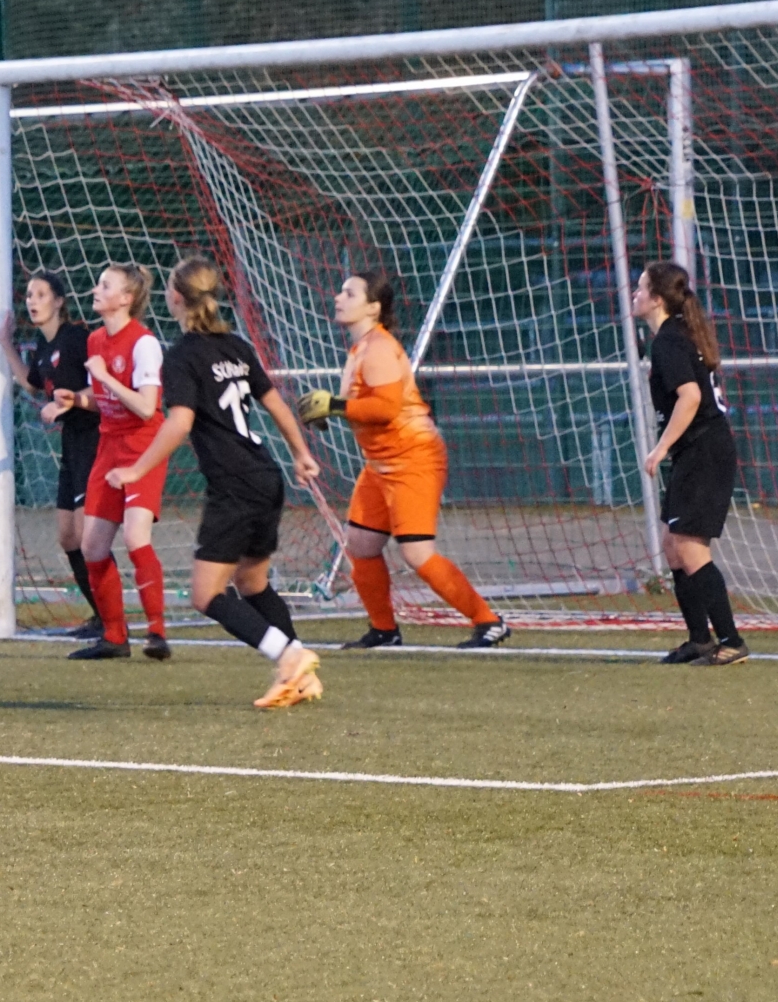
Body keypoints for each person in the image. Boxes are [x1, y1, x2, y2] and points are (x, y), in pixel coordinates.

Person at [108, 258, 328, 708]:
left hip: (234, 484)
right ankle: (300, 677)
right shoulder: (236, 346)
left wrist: (136, 470)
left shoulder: (182, 355)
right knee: (252, 583)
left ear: (175, 297)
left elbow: (179, 422)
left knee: (206, 594)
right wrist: (301, 454)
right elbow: (276, 404)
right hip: (265, 475)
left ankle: (289, 657)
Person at [298, 274, 509, 649]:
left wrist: (335, 405)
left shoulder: (379, 347)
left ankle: (489, 622)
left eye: (349, 293)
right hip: (380, 462)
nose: (338, 298)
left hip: (413, 457)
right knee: (361, 544)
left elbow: (386, 408)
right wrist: (332, 411)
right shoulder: (361, 347)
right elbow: (364, 409)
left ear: (373, 307)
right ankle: (384, 631)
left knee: (416, 552)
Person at [53, 263, 172, 660]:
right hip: (109, 447)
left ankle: (157, 633)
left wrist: (106, 377)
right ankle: (115, 636)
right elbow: (103, 398)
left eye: (105, 285)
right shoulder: (95, 340)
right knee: (91, 546)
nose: (96, 289)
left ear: (126, 298)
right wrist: (76, 399)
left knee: (136, 537)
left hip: (142, 446)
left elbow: (146, 407)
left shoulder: (144, 343)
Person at [635, 260, 747, 666]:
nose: (635, 294)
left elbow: (691, 397)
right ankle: (699, 639)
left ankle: (731, 640)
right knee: (672, 545)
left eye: (641, 288)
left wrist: (660, 448)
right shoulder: (676, 335)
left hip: (704, 451)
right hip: (699, 451)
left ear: (657, 299)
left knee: (688, 545)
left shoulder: (669, 341)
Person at [0, 270, 103, 641]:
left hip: (94, 440)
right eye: (28, 295)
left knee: (88, 538)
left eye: (40, 294)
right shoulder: (43, 345)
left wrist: (70, 401)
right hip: (72, 443)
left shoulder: (77, 340)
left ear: (59, 301)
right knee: (68, 537)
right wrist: (5, 342)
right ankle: (101, 614)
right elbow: (32, 382)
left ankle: (112, 620)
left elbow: (103, 387)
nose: (32, 301)